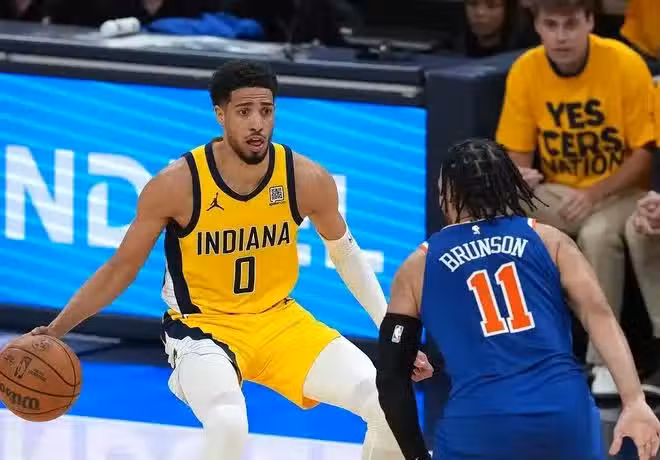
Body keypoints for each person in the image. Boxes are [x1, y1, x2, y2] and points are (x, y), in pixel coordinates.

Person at [28, 59, 433, 460]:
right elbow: (120, 269)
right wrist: (57, 330)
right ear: (220, 115)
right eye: (244, 112)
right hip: (202, 329)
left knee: (388, 403)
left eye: (266, 111)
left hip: (279, 320)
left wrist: (393, 338)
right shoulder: (177, 184)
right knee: (228, 423)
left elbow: (346, 255)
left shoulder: (305, 178)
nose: (257, 123)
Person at [375, 138, 660, 460]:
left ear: (446, 194)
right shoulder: (549, 240)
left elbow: (390, 378)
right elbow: (600, 317)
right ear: (511, 185)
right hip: (563, 416)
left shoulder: (418, 266)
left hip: (478, 424)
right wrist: (634, 401)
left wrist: (416, 456)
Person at [495, 0, 657, 397]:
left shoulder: (624, 63)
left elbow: (644, 154)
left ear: (590, 22)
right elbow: (517, 152)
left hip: (620, 191)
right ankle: (513, 348)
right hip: (560, 193)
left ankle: (604, 361)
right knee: (502, 206)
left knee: (599, 233)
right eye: (551, 25)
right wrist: (519, 177)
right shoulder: (525, 69)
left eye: (570, 24)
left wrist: (593, 194)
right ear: (537, 27)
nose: (561, 36)